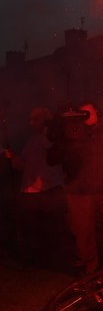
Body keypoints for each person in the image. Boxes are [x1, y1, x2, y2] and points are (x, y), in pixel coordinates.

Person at [48, 102, 103, 274]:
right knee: (83, 233)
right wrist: (65, 138)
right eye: (81, 113)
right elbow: (52, 159)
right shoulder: (71, 134)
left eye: (88, 113)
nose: (84, 116)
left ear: (97, 114)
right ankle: (89, 269)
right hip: (79, 193)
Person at [3, 107, 71, 267]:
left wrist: (50, 129)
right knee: (34, 230)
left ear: (45, 121)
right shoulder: (31, 140)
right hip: (31, 192)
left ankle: (56, 261)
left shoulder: (51, 139)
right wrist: (12, 157)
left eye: (35, 119)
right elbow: (23, 165)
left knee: (52, 229)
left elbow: (51, 148)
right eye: (30, 119)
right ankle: (37, 261)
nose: (31, 123)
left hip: (48, 191)